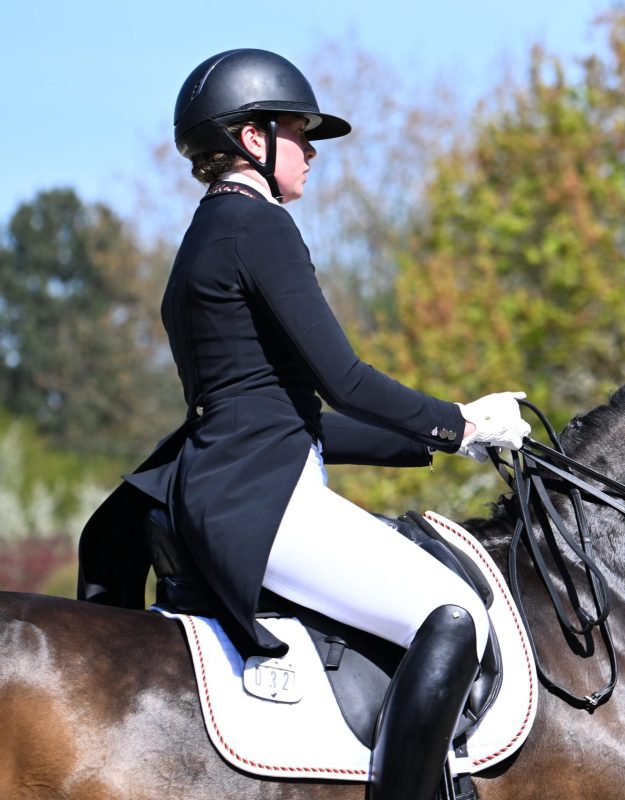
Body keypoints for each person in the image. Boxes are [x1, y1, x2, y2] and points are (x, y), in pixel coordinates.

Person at [76, 48, 530, 800]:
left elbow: (284, 416)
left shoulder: (206, 236)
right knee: (454, 616)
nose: (313, 150)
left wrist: (434, 445)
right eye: (299, 130)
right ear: (253, 139)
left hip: (231, 485)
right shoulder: (259, 229)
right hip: (261, 503)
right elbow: (343, 381)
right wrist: (462, 424)